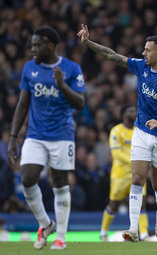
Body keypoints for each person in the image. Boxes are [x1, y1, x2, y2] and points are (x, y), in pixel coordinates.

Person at [78, 24, 157, 242]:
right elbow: (112, 55)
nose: (142, 53)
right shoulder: (140, 67)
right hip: (141, 130)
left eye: (147, 50)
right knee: (138, 178)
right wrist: (88, 43)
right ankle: (133, 228)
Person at [7, 26, 85, 250]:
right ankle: (45, 224)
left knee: (60, 184)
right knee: (27, 178)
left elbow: (80, 103)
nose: (33, 49)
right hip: (35, 135)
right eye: (32, 44)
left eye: (37, 45)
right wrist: (14, 137)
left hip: (62, 135)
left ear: (50, 45)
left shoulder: (71, 68)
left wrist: (62, 86)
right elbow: (23, 104)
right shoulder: (29, 68)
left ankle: (60, 237)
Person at [100, 104, 149, 242]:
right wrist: (135, 162)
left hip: (137, 174)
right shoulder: (116, 131)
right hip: (120, 174)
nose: (134, 112)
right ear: (123, 114)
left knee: (142, 203)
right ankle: (103, 232)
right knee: (113, 204)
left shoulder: (139, 131)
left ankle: (144, 234)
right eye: (130, 110)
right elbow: (116, 153)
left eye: (135, 110)